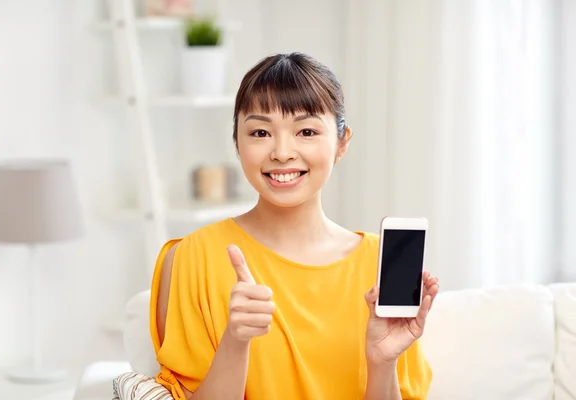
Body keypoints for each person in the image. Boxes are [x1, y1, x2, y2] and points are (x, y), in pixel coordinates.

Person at [150, 52, 439, 400]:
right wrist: (235, 341)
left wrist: (382, 363)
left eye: (306, 131)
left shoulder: (381, 265)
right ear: (237, 142)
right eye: (260, 132)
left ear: (342, 141)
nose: (282, 153)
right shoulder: (191, 258)